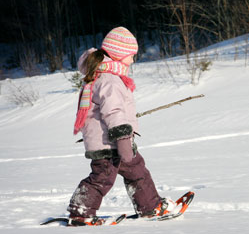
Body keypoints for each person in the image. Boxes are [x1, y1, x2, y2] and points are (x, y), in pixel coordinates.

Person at [67, 27, 174, 226]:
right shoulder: (109, 80)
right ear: (118, 54)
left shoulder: (103, 76)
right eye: (131, 56)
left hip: (111, 141)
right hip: (110, 144)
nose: (133, 60)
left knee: (137, 171)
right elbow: (113, 112)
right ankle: (81, 212)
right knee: (102, 178)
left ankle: (150, 206)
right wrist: (124, 139)